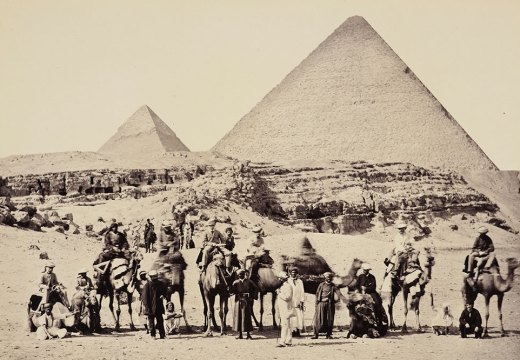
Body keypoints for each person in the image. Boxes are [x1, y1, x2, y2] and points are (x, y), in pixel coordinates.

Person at [312, 272, 341, 339]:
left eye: (330, 278)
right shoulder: (321, 285)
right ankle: (316, 335)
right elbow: (317, 295)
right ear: (325, 278)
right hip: (321, 304)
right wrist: (316, 305)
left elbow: (339, 294)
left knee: (329, 319)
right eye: (327, 278)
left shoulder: (333, 286)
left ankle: (328, 335)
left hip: (330, 305)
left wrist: (335, 300)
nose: (329, 279)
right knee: (319, 319)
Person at [141, 270, 166, 339]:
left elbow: (164, 292)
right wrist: (147, 307)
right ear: (151, 277)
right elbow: (144, 298)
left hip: (158, 306)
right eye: (153, 277)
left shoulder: (160, 284)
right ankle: (153, 335)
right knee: (151, 322)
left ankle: (162, 335)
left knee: (160, 321)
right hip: (150, 307)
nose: (155, 278)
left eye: (156, 276)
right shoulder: (147, 285)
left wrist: (163, 295)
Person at [231, 269, 255, 340]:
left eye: (241, 274)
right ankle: (240, 335)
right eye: (239, 274)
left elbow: (255, 289)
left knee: (247, 317)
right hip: (238, 301)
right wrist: (231, 289)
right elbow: (233, 291)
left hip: (246, 300)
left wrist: (251, 297)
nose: (240, 275)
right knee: (238, 317)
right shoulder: (235, 282)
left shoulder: (249, 281)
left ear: (244, 274)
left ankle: (248, 335)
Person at [276, 271, 294, 347]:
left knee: (285, 324)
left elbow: (288, 297)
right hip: (283, 308)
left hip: (286, 308)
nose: (279, 279)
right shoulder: (283, 286)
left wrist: (279, 293)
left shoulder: (288, 286)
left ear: (283, 279)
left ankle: (282, 341)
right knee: (287, 325)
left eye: (280, 278)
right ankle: (288, 340)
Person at [288, 267, 305, 337]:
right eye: (292, 273)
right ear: (290, 273)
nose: (293, 274)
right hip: (290, 302)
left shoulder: (300, 282)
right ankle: (292, 331)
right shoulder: (288, 281)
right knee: (291, 317)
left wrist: (301, 301)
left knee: (299, 316)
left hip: (298, 301)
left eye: (295, 273)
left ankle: (298, 331)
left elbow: (302, 291)